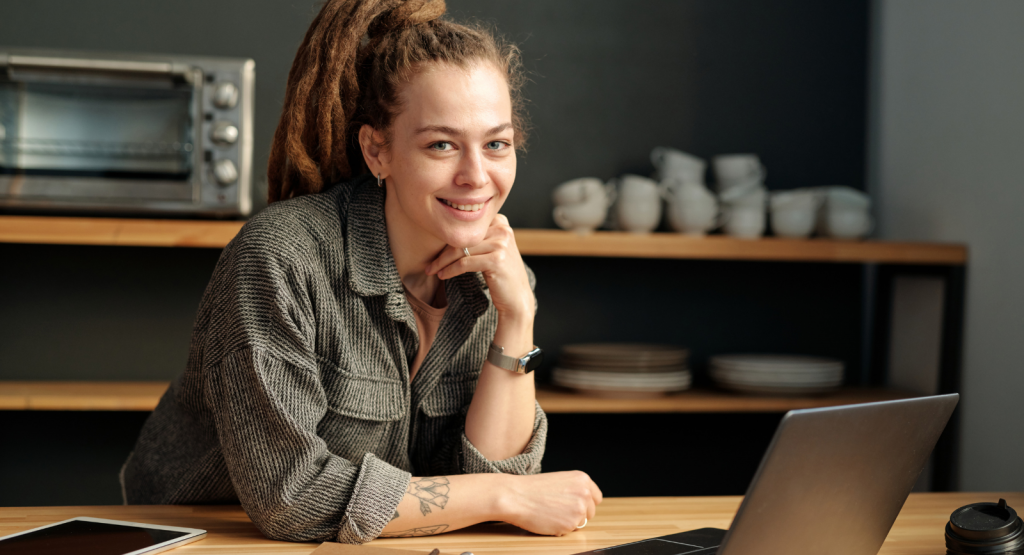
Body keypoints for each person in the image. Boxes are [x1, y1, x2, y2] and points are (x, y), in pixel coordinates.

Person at [121, 0, 603, 544]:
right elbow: (292, 497)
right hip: (192, 539)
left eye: (496, 144)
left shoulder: (499, 278)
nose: (476, 176)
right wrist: (499, 496)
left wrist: (517, 317)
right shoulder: (280, 257)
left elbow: (500, 489)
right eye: (442, 144)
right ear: (377, 150)